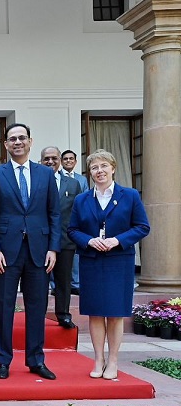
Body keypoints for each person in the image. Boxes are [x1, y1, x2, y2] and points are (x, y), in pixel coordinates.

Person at [0, 123, 60, 380]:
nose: (17, 142)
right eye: (12, 139)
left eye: (22, 138)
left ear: (30, 141)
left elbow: (54, 214)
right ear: (5, 145)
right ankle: (3, 360)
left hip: (40, 251)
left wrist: (53, 248)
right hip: (5, 252)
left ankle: (36, 359)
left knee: (37, 307)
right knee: (3, 308)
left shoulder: (45, 174)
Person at [68, 149, 149, 380]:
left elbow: (142, 227)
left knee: (114, 313)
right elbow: (72, 230)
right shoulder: (81, 199)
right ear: (90, 173)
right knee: (95, 313)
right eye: (94, 167)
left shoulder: (130, 195)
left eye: (104, 166)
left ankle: (113, 360)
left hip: (118, 262)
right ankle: (98, 359)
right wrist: (89, 240)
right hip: (92, 261)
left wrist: (117, 240)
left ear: (113, 168)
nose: (99, 171)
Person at [40, 146, 82, 329]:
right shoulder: (36, 180)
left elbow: (79, 212)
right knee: (39, 281)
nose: (50, 162)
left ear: (60, 160)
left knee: (63, 281)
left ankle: (63, 314)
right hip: (40, 240)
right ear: (41, 161)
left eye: (54, 158)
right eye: (46, 159)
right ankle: (37, 315)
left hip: (65, 240)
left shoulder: (73, 184)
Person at [61, 149, 89, 296]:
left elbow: (85, 198)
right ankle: (56, 285)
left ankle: (75, 283)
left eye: (71, 159)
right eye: (65, 159)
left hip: (76, 221)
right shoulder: (55, 177)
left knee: (75, 255)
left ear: (76, 161)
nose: (68, 161)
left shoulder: (82, 179)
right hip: (60, 222)